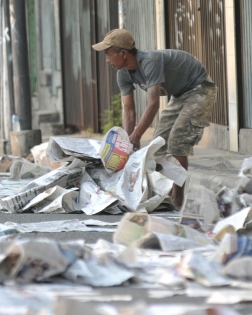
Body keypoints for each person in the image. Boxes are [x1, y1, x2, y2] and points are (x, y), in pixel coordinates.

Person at [92, 29, 217, 209]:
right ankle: (166, 194)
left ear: (123, 53)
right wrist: (128, 143)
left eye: (108, 54)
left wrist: (136, 135)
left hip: (200, 87)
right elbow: (128, 110)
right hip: (180, 95)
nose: (107, 60)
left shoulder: (150, 62)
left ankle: (178, 199)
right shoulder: (123, 73)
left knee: (177, 141)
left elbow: (153, 104)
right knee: (158, 146)